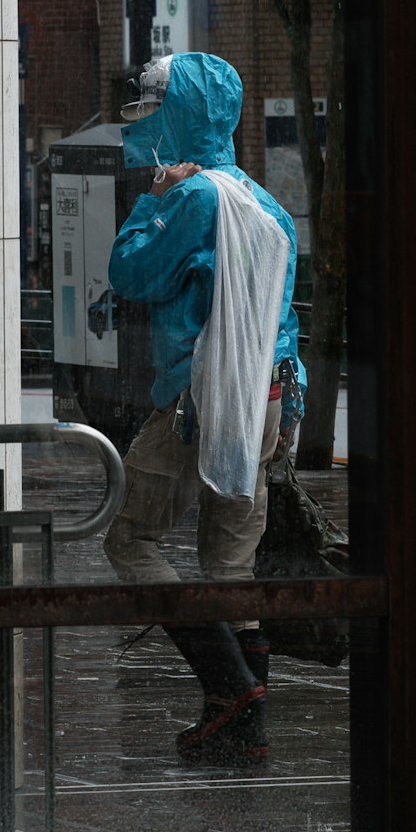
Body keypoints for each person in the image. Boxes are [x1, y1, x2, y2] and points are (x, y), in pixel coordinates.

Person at [103, 51, 303, 766]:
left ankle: (231, 688)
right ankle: (242, 719)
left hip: (200, 395)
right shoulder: (264, 200)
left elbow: (132, 272)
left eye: (155, 108)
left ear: (182, 115)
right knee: (229, 564)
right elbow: (285, 315)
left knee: (130, 538)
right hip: (269, 397)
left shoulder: (192, 197)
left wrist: (154, 197)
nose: (144, 123)